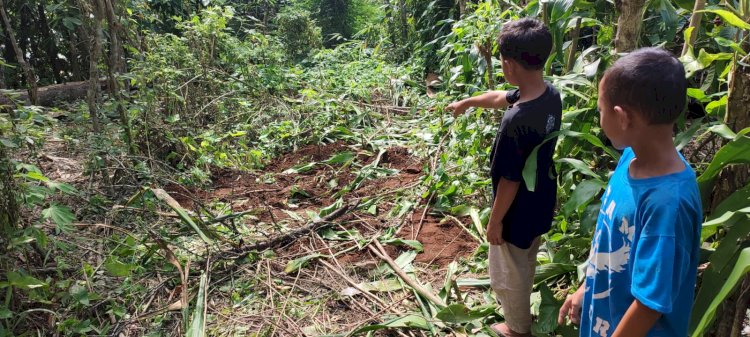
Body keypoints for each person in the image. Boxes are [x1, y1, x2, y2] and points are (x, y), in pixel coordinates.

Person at [557, 48, 702, 337]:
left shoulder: (668, 204)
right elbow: (610, 247)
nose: (600, 118)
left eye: (600, 109)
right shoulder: (630, 159)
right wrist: (586, 288)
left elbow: (650, 304)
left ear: (622, 117)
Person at [447, 18, 561, 337]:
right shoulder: (549, 95)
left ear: (508, 64)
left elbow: (509, 180)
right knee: (526, 259)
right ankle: (521, 310)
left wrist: (495, 221)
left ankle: (517, 328)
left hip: (516, 212)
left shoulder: (517, 121)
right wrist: (468, 102)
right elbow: (500, 97)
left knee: (509, 276)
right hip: (541, 199)